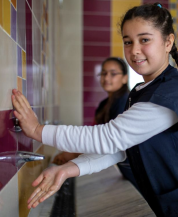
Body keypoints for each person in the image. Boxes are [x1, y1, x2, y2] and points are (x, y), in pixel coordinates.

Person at [11, 3, 178, 216]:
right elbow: (123, 148)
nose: (135, 50)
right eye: (128, 41)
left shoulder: (172, 93)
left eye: (145, 40)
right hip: (177, 203)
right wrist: (69, 169)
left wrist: (38, 130)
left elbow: (110, 138)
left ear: (168, 42)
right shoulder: (144, 90)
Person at [52, 57, 138, 188]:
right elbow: (94, 136)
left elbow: (110, 142)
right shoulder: (105, 103)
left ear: (125, 78)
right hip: (125, 170)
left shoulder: (124, 103)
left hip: (135, 173)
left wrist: (74, 154)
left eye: (113, 74)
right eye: (104, 73)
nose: (107, 78)